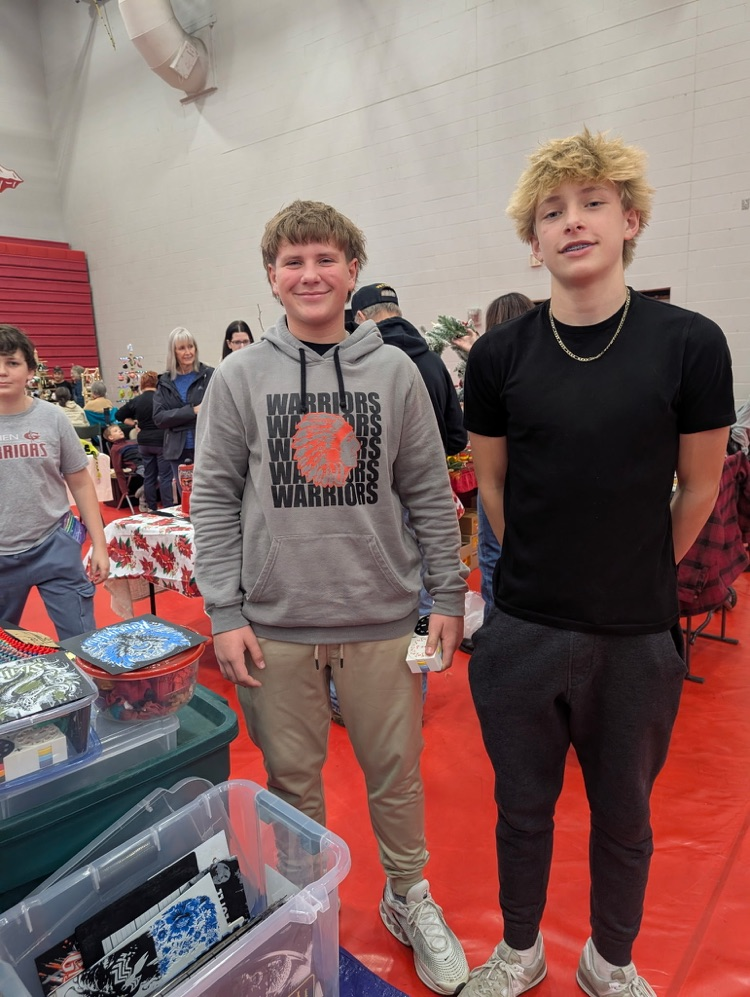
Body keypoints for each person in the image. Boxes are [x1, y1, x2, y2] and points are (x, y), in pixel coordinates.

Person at [461, 127, 734, 997]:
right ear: (531, 239)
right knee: (521, 809)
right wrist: (548, 568)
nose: (571, 222)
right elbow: (493, 487)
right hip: (523, 628)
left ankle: (608, 960)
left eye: (591, 204)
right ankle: (519, 947)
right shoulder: (500, 356)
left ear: (630, 220)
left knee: (626, 817)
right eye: (552, 211)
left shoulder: (690, 343)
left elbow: (697, 489)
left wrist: (634, 569)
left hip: (636, 634)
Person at [191, 199, 470, 996]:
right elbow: (211, 498)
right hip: (276, 626)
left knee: (398, 772)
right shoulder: (240, 378)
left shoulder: (394, 374)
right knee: (291, 783)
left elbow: (427, 489)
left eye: (325, 259)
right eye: (292, 261)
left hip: (383, 620)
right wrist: (225, 610)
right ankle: (302, 908)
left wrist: (445, 594)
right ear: (271, 278)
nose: (309, 274)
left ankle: (408, 894)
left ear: (353, 270)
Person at [351, 282, 467, 617]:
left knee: (382, 587)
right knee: (430, 581)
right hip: (430, 491)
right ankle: (421, 661)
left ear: (360, 317)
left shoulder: (361, 367)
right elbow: (458, 437)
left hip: (378, 497)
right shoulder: (431, 361)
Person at [0, 325, 109, 639]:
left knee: (83, 642)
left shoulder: (53, 418)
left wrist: (99, 545)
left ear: (31, 370)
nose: (3, 372)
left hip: (53, 545)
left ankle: (89, 690)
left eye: (12, 363)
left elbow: (81, 482)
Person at [473, 293, 535, 615]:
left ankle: (496, 639)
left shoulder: (487, 368)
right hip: (534, 488)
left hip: (498, 484)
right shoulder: (544, 370)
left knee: (494, 562)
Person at [152, 327, 214, 500]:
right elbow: (159, 418)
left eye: (190, 346)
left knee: (209, 498)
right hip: (177, 452)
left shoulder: (209, 375)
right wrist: (193, 411)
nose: (188, 352)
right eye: (182, 348)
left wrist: (176, 419)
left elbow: (214, 411)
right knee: (187, 498)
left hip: (206, 447)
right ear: (174, 352)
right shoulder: (164, 381)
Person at [117, 371, 173, 511]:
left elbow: (119, 415)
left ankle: (151, 508)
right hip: (161, 441)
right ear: (157, 383)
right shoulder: (163, 398)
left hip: (143, 443)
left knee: (149, 476)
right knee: (165, 477)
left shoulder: (136, 400)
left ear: (142, 384)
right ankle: (167, 507)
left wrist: (134, 423)